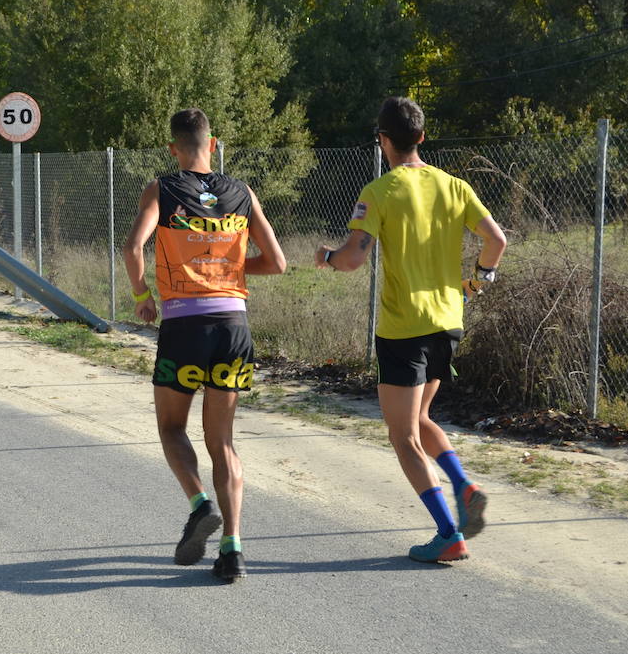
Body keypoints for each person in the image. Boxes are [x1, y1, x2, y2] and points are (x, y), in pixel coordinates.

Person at [314, 97, 507, 563]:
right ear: (422, 136)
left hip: (404, 329)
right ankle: (463, 485)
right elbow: (496, 240)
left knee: (402, 436)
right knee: (419, 420)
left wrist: (324, 257)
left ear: (382, 141)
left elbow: (353, 259)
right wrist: (479, 279)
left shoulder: (379, 191)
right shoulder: (454, 186)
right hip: (448, 323)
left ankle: (448, 533)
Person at [123, 108, 286, 583]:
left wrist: (142, 297)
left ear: (175, 149)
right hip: (234, 328)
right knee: (224, 442)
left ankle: (199, 505)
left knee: (172, 428)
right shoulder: (242, 192)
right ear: (212, 145)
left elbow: (134, 246)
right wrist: (230, 272)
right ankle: (233, 549)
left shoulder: (163, 188)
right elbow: (275, 262)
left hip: (184, 326)